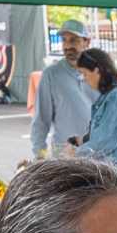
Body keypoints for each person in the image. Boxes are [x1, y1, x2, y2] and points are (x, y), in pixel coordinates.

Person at [31, 19, 93, 157]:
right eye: (64, 40)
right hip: (64, 156)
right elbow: (41, 121)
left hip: (96, 155)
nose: (67, 46)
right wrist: (40, 156)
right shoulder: (51, 75)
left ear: (87, 42)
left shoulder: (98, 72)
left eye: (73, 40)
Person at [72, 46, 117, 170]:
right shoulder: (108, 96)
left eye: (85, 74)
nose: (84, 79)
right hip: (109, 168)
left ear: (97, 71)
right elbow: (101, 133)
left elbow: (103, 143)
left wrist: (73, 155)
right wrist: (82, 140)